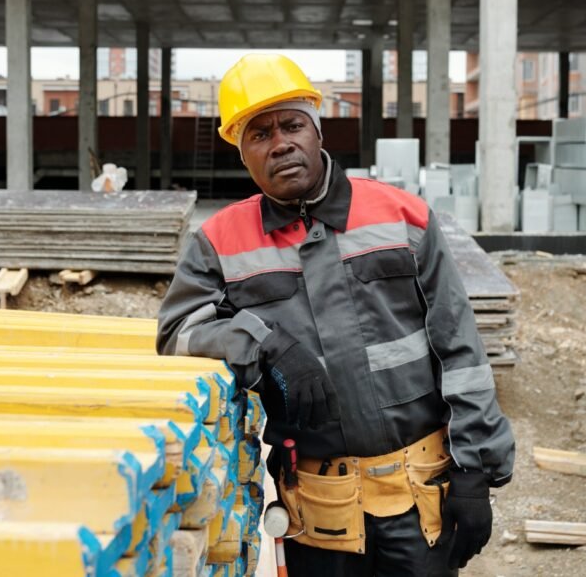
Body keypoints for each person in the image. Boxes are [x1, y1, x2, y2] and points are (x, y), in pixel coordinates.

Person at [157, 53, 514, 576]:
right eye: (258, 134)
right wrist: (265, 345)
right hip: (316, 511)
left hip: (418, 499)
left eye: (292, 125)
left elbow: (460, 350)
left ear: (317, 131)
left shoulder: (403, 217)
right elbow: (177, 333)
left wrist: (475, 471)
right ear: (242, 153)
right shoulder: (217, 242)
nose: (279, 142)